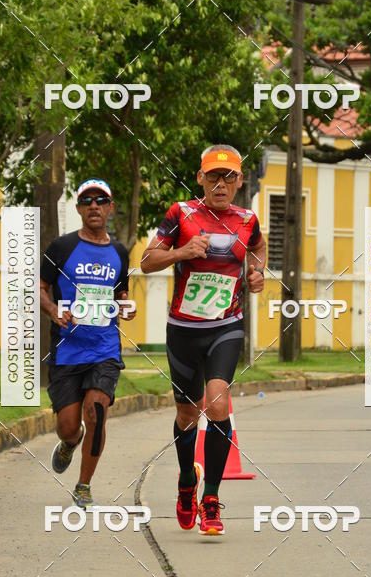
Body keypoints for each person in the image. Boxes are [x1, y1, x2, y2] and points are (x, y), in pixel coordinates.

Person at [141, 145, 266, 535]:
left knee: (216, 403)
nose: (221, 184)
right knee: (186, 415)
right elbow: (147, 262)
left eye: (229, 177)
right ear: (200, 178)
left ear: (240, 181)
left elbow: (258, 248)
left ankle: (210, 498)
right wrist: (180, 252)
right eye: (213, 176)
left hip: (226, 326)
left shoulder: (248, 220)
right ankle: (185, 481)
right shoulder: (181, 214)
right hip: (183, 330)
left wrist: (257, 272)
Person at [39, 179, 136, 508]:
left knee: (96, 412)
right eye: (87, 200)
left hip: (104, 348)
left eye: (101, 200)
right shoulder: (61, 248)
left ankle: (84, 484)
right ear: (79, 208)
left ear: (110, 208)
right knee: (68, 427)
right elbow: (40, 287)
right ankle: (70, 442)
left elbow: (121, 293)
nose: (94, 205)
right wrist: (53, 310)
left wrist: (127, 306)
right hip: (67, 350)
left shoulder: (120, 252)